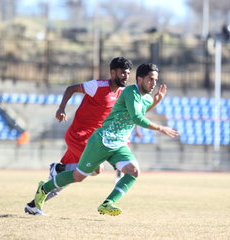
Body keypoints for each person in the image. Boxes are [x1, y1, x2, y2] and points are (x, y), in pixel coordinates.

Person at [29, 63, 179, 216]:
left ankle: (108, 203)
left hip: (118, 144)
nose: (153, 83)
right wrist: (161, 128)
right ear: (139, 79)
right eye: (150, 79)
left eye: (155, 80)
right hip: (102, 141)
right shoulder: (129, 92)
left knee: (133, 171)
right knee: (78, 176)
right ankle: (44, 188)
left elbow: (140, 110)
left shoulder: (146, 98)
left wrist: (156, 100)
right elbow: (137, 117)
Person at [24, 57, 134, 215]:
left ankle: (33, 205)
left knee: (68, 179)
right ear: (112, 72)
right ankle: (58, 168)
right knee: (96, 169)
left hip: (94, 139)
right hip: (78, 136)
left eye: (128, 73)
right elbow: (70, 89)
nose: (125, 76)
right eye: (123, 73)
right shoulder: (97, 86)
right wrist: (61, 109)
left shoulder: (122, 94)